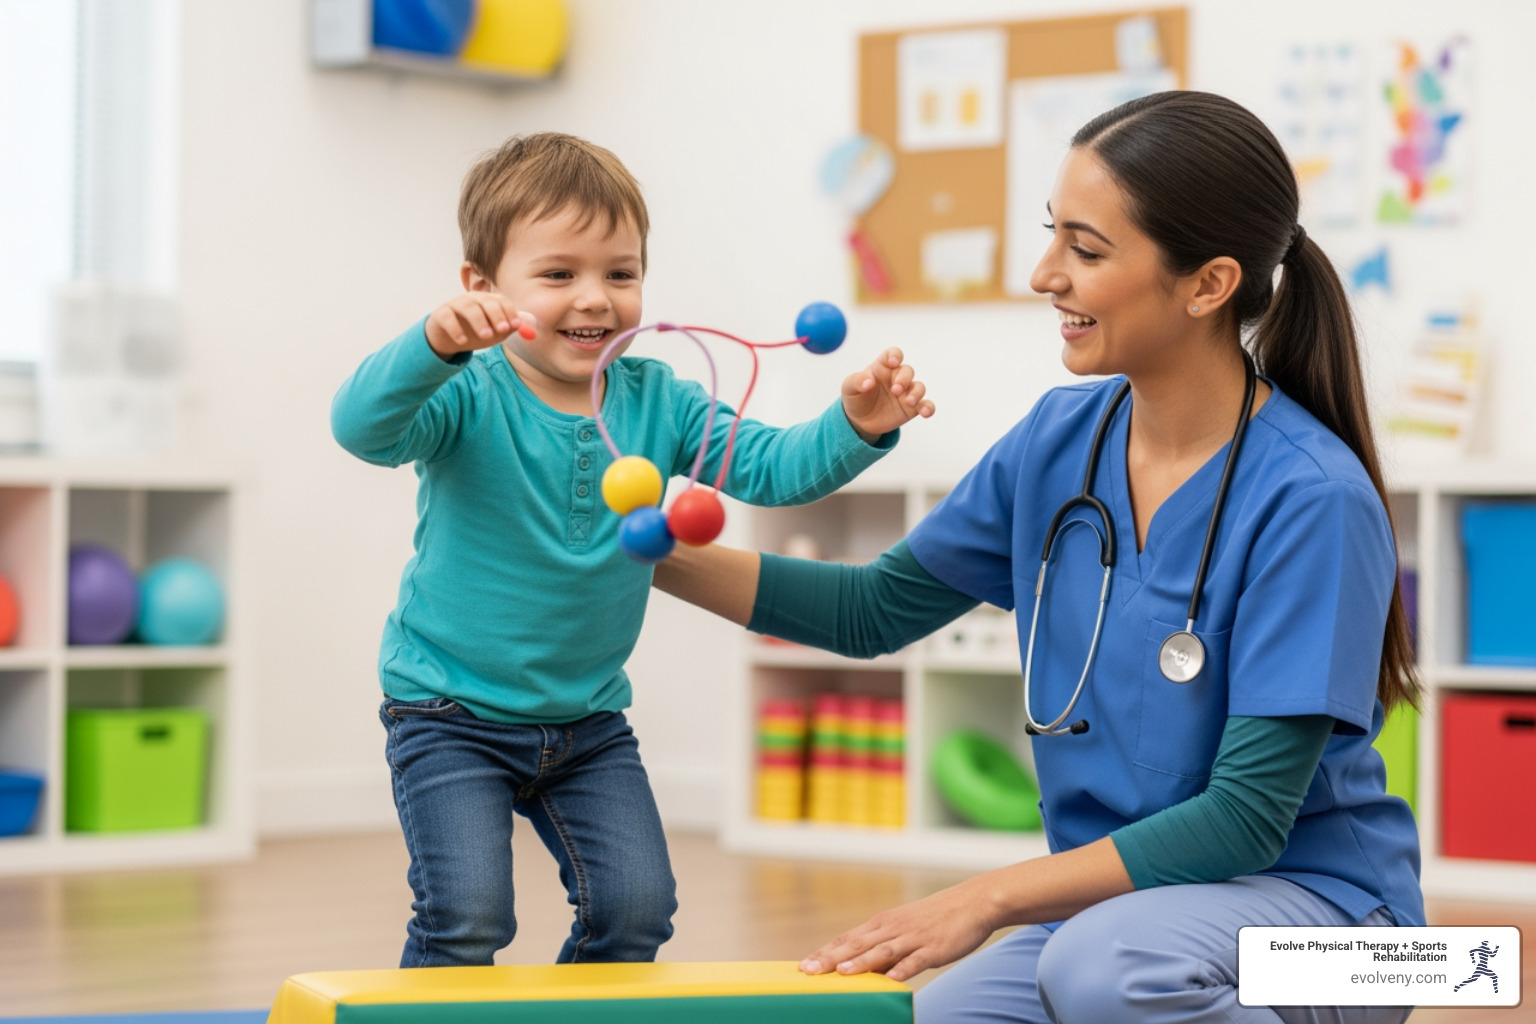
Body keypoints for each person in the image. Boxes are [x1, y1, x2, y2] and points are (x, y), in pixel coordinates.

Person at [652, 91, 1422, 1023]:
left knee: (1104, 970)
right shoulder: (1061, 441)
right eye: (1053, 234)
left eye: (1086, 251)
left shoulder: (1312, 499)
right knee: (947, 1015)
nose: (1042, 273)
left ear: (1208, 284)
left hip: (1352, 937)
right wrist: (641, 558)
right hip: (1126, 914)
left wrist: (985, 897)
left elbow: (1246, 820)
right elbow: (873, 611)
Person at [331, 132, 935, 969]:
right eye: (559, 274)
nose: (596, 298)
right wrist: (432, 345)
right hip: (450, 714)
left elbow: (772, 469)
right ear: (481, 286)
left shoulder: (662, 399)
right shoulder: (466, 391)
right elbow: (361, 431)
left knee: (638, 909)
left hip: (587, 724)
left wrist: (858, 425)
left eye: (620, 273)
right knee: (467, 916)